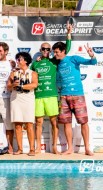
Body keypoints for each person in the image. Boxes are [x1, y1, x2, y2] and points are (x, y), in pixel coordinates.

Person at [31, 23, 72, 154]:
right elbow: (28, 74)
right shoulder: (35, 63)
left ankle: (54, 146)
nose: (45, 51)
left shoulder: (54, 61)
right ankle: (38, 147)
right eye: (43, 49)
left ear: (50, 51)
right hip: (38, 96)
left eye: (48, 49)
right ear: (40, 50)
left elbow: (67, 49)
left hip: (52, 96)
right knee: (38, 122)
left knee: (54, 122)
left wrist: (68, 34)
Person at [53, 42, 96, 156]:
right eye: (54, 52)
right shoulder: (57, 66)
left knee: (83, 122)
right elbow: (57, 81)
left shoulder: (73, 59)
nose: (55, 54)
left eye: (57, 52)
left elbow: (92, 62)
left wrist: (92, 55)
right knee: (67, 123)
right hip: (63, 97)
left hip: (78, 95)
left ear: (63, 51)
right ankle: (70, 148)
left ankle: (87, 148)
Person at [7, 52, 38, 156]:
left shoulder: (33, 73)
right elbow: (8, 86)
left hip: (28, 99)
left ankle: (32, 149)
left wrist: (21, 87)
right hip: (16, 99)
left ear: (25, 61)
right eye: (17, 59)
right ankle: (20, 149)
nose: (18, 61)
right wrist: (13, 85)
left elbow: (34, 84)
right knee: (18, 124)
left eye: (19, 59)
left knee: (29, 124)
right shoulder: (13, 73)